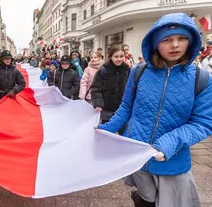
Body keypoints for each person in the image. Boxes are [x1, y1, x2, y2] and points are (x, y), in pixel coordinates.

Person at [97, 13, 212, 207]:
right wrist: (105, 130)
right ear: (155, 43)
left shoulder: (201, 78)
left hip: (172, 158)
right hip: (137, 154)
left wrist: (169, 143)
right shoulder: (139, 71)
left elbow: (203, 123)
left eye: (182, 38)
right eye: (167, 40)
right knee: (146, 199)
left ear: (191, 41)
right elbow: (126, 108)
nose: (175, 45)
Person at [91, 45, 130, 126]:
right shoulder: (103, 71)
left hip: (123, 109)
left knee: (123, 135)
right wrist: (98, 103)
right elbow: (96, 88)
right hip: (107, 110)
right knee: (107, 134)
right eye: (116, 56)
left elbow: (133, 88)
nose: (119, 59)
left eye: (121, 56)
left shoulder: (128, 70)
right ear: (110, 57)